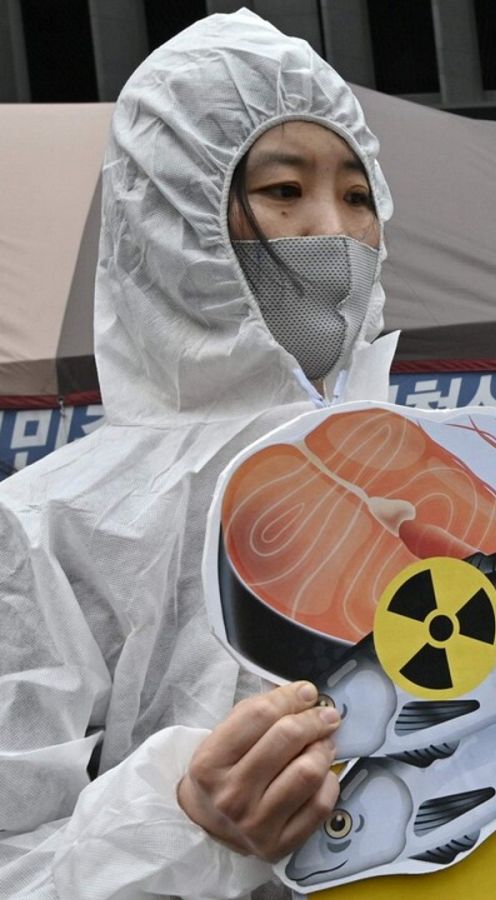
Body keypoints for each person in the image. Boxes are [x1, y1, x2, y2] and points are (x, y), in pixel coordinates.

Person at [0, 11, 397, 897]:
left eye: (358, 196)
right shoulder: (44, 526)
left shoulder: (442, 466)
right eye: (284, 192)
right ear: (174, 212)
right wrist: (183, 823)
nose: (330, 233)